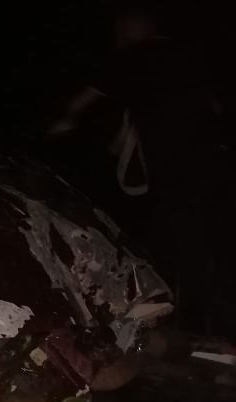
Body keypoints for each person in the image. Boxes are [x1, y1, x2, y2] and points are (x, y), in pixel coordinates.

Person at [48, 3, 231, 337]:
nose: (117, 39)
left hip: (180, 172)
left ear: (136, 30)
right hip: (216, 166)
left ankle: (186, 327)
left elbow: (86, 99)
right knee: (201, 244)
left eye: (121, 32)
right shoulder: (187, 56)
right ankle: (200, 326)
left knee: (178, 244)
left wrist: (61, 123)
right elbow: (214, 107)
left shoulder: (136, 55)